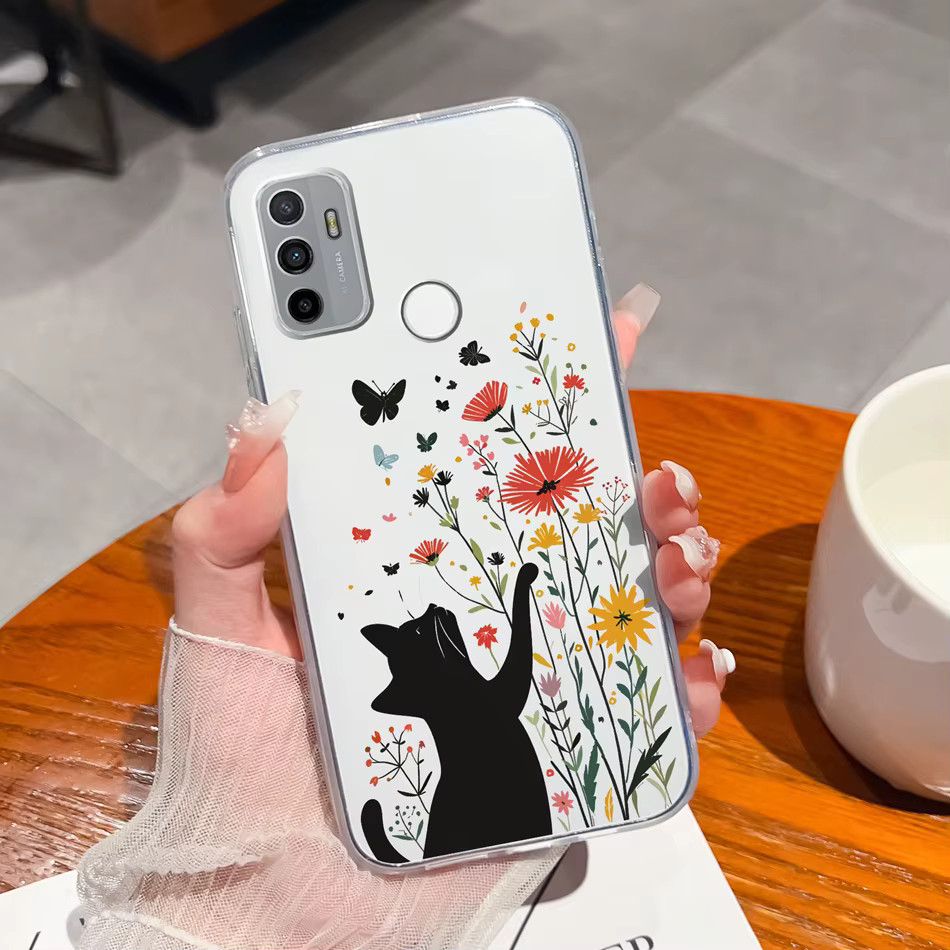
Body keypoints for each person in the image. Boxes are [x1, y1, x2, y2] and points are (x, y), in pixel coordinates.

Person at [76, 285, 734, 950]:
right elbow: (516, 670)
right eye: (426, 631)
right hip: (488, 808)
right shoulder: (467, 700)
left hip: (486, 809)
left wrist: (523, 589)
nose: (438, 617)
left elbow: (515, 669)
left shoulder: (468, 696)